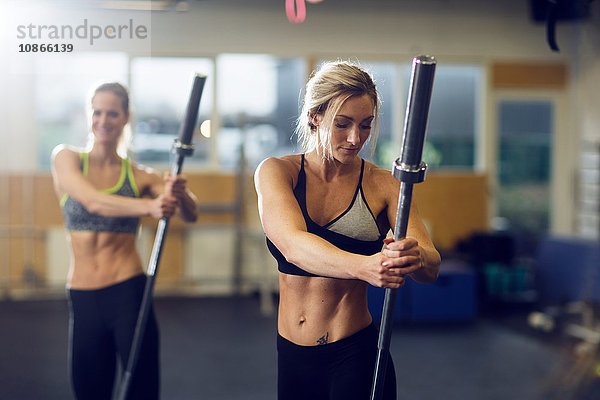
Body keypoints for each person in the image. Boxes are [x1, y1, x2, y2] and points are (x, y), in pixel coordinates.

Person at [254, 61, 441, 400]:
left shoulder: (385, 184)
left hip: (356, 355)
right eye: (342, 124)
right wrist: (365, 266)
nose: (355, 138)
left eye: (365, 125)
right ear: (315, 116)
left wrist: (414, 255)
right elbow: (294, 246)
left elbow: (431, 265)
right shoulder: (277, 172)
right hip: (293, 357)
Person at [51, 82, 199, 400]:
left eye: (112, 113)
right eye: (98, 112)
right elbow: (92, 201)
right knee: (90, 390)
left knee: (141, 390)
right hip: (83, 296)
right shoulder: (67, 159)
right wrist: (148, 207)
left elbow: (190, 214)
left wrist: (180, 192)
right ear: (90, 115)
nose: (103, 120)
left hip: (128, 294)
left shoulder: (139, 175)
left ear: (125, 118)